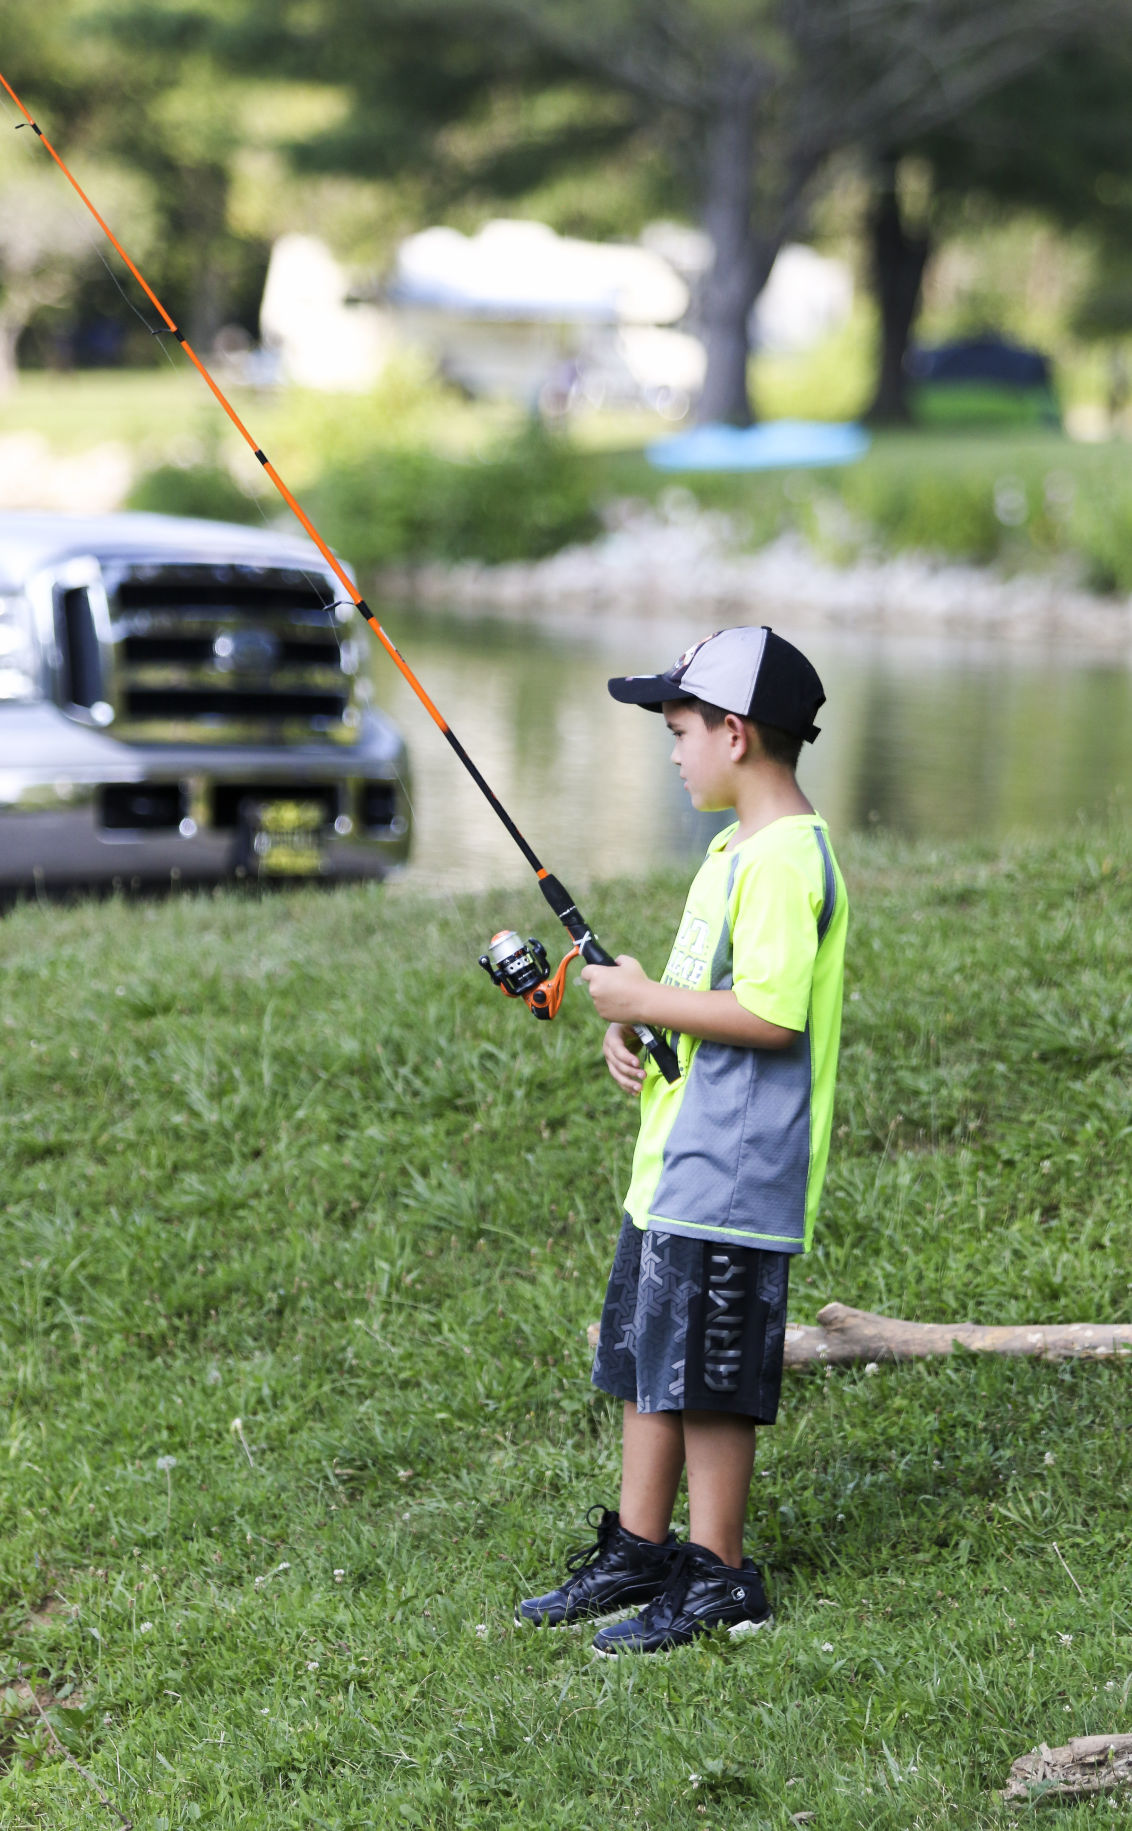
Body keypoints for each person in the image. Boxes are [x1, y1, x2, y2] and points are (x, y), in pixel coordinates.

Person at [515, 626, 848, 1655]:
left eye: (678, 729)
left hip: (736, 1175)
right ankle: (638, 1547)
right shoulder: (728, 850)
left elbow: (771, 1013)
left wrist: (647, 993)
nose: (670, 750)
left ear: (735, 733)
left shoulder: (788, 858)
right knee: (645, 1358)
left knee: (704, 1372)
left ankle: (719, 1573)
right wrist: (640, 1019)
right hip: (677, 1167)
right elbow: (707, 998)